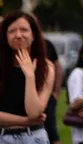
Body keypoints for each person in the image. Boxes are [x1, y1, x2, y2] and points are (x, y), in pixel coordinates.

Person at [0, 11, 56, 144]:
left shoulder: (46, 67)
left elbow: (34, 112)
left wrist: (30, 76)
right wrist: (25, 121)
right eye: (12, 31)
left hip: (34, 137)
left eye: (24, 30)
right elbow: (32, 118)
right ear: (5, 36)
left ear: (34, 35)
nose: (18, 35)